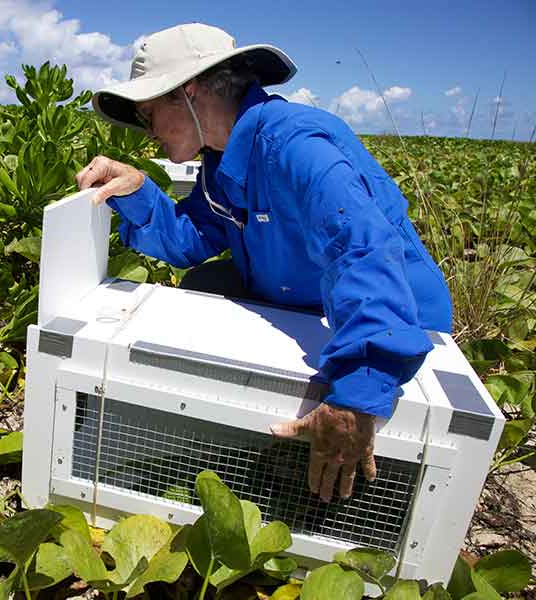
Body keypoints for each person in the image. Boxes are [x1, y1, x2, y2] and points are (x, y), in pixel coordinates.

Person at [75, 23, 453, 503]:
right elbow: (190, 239)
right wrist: (137, 193)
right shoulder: (222, 157)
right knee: (207, 279)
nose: (148, 134)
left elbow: (363, 250)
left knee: (352, 472)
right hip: (306, 297)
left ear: (187, 91)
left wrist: (360, 391)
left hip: (396, 323)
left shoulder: (295, 145)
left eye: (149, 115)